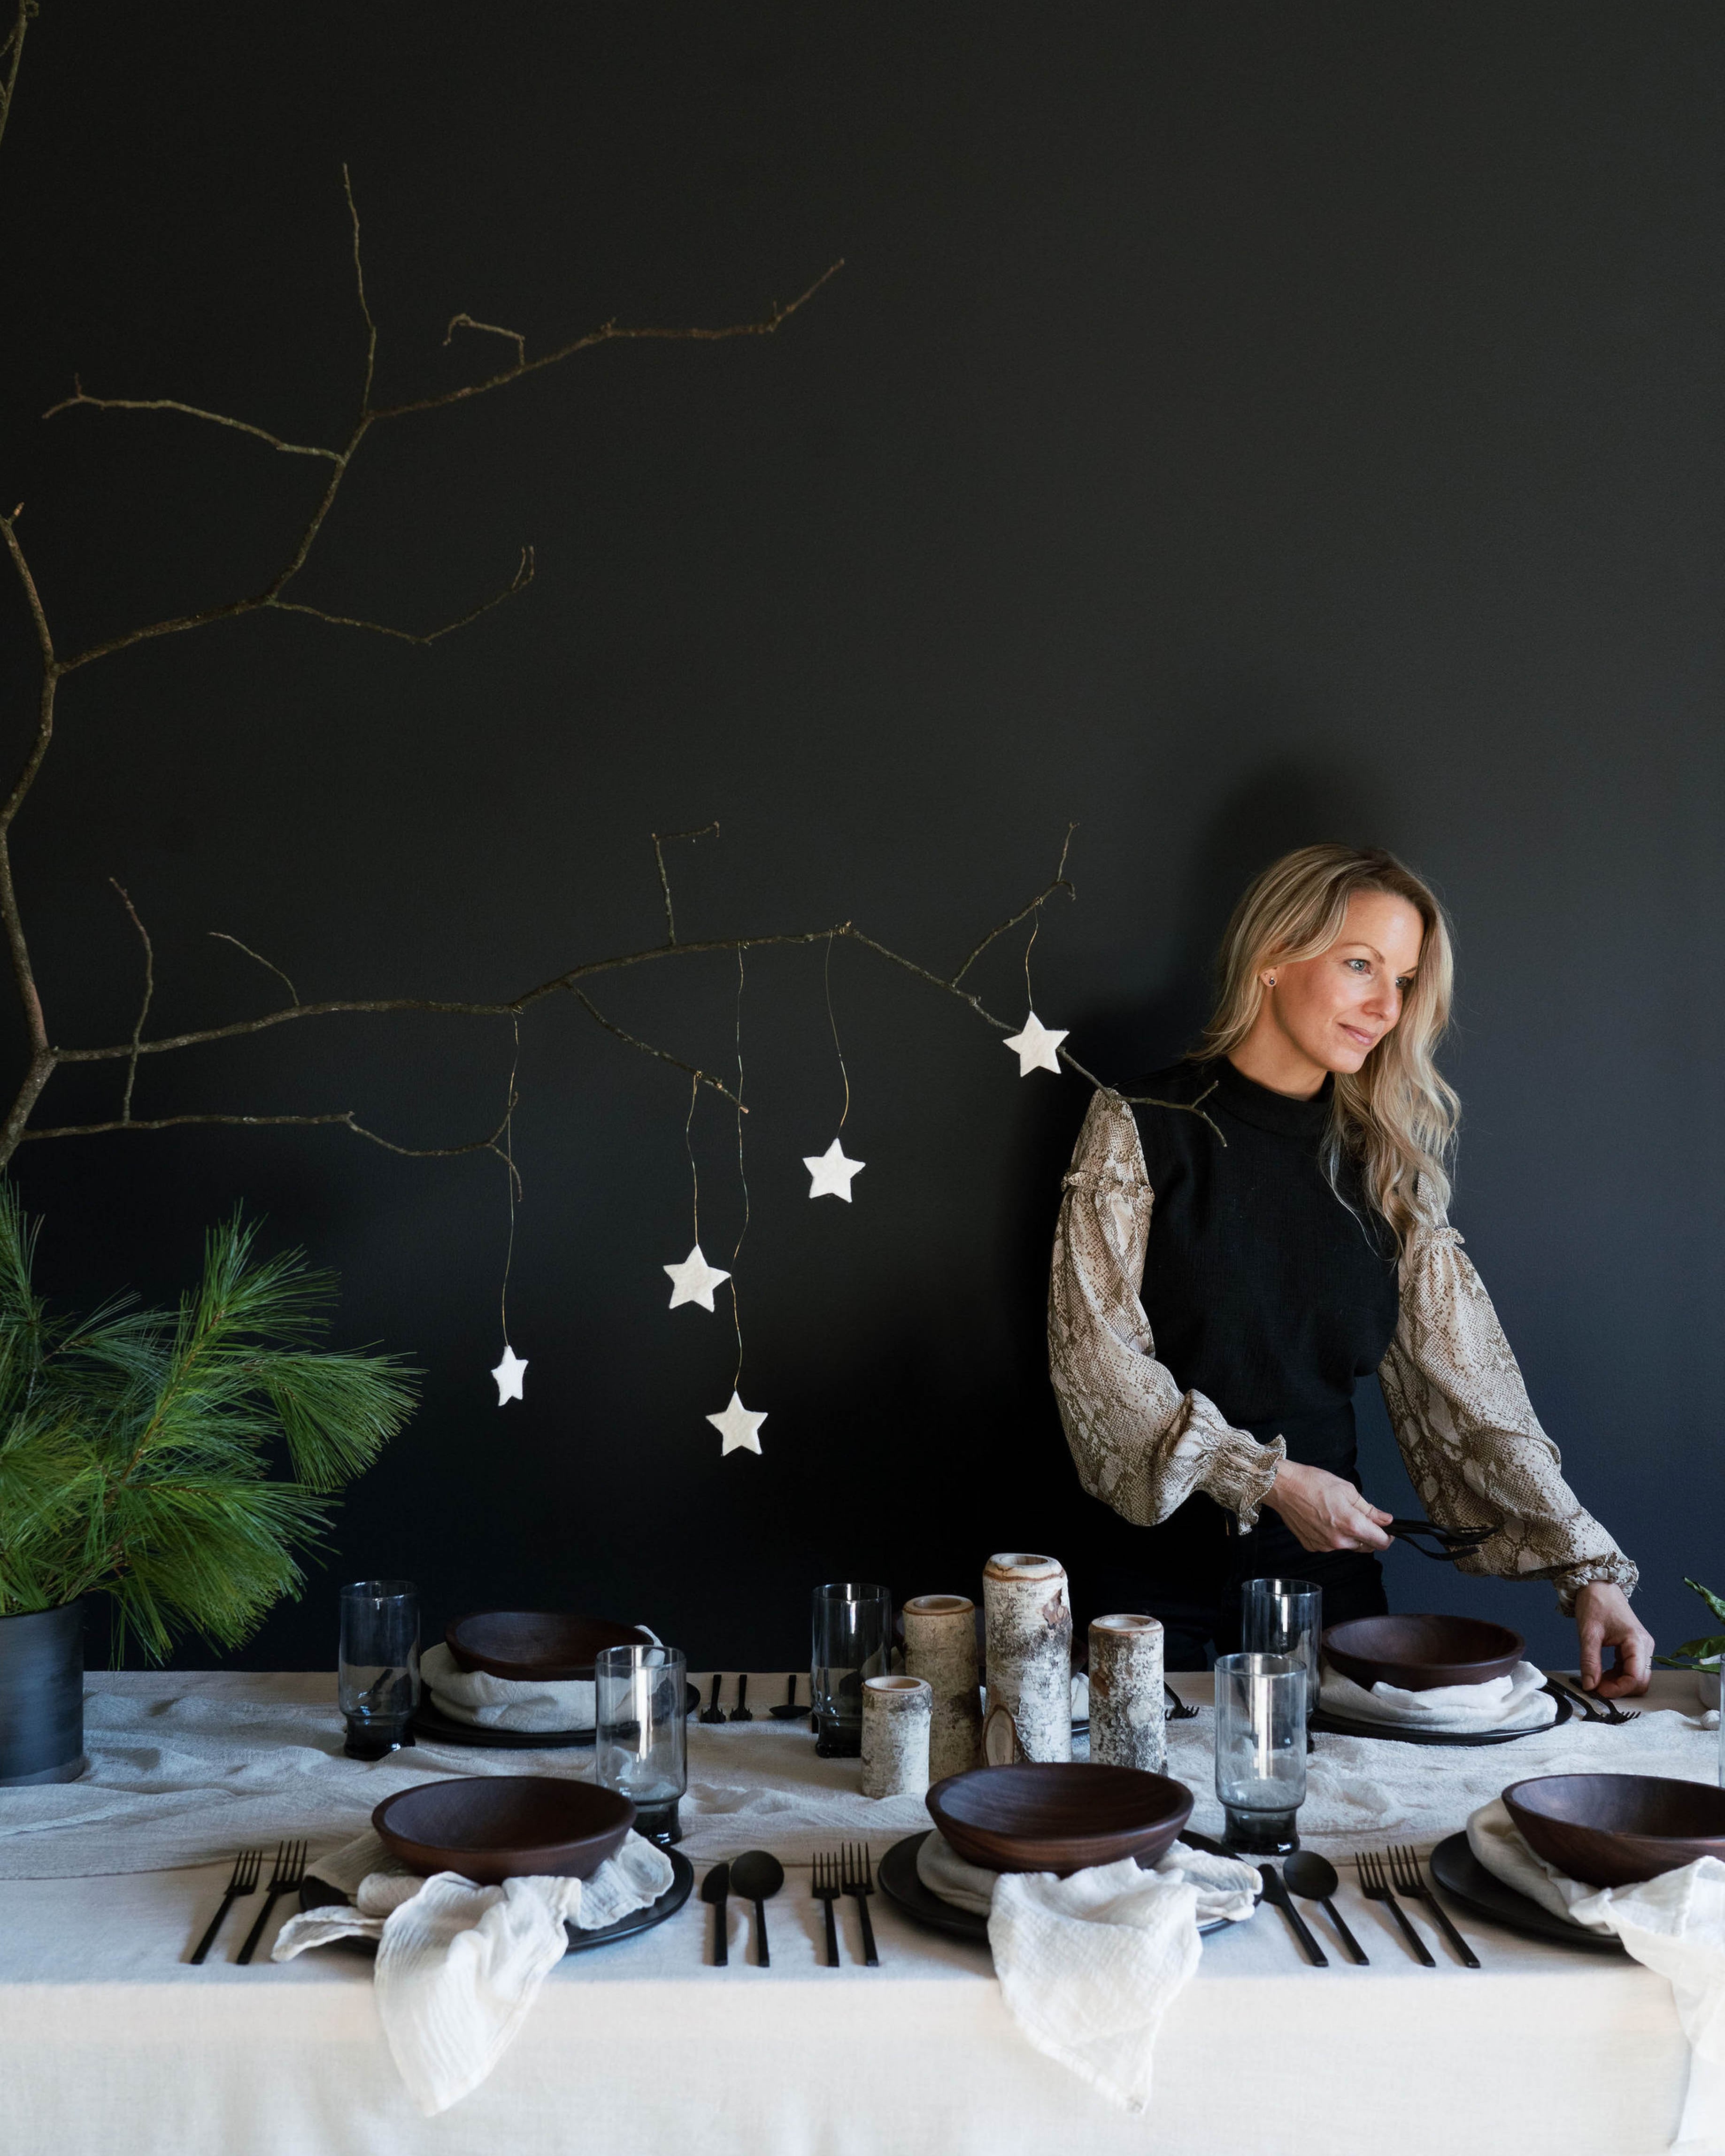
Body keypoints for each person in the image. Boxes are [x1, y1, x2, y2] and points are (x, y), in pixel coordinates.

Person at [1047, 843, 1653, 1696]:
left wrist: (1587, 1572)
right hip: (1148, 1596)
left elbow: (1473, 1394)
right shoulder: (1140, 1124)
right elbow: (1095, 1364)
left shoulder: (1384, 1165)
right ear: (1270, 957)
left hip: (1329, 1596)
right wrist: (1269, 1479)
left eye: (1402, 982)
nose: (1384, 1006)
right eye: (1360, 965)